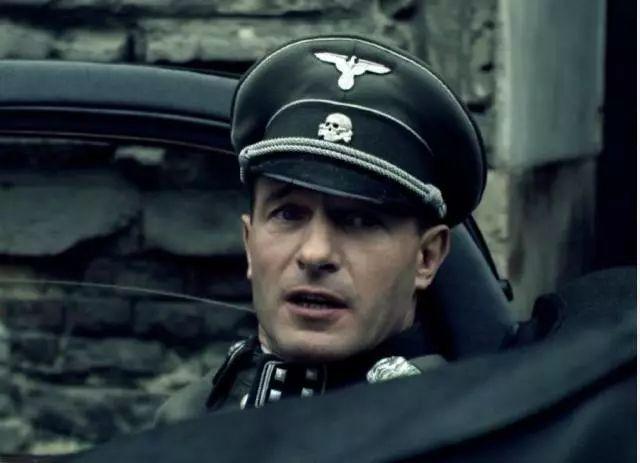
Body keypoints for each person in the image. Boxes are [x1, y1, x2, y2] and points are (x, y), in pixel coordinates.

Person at [154, 34, 487, 423]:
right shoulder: (187, 422)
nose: (315, 254)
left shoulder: (461, 429)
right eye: (288, 214)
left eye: (360, 220)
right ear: (248, 243)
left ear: (426, 258)